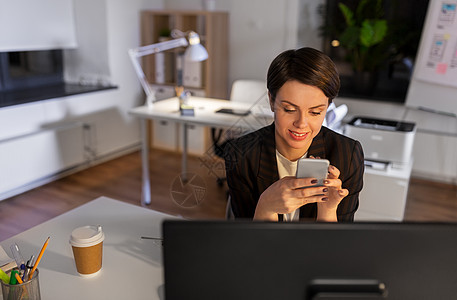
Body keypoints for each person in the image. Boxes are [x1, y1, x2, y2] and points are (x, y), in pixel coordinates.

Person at [224, 47, 364, 222]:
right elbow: (250, 244)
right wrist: (266, 206)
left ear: (327, 107)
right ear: (271, 101)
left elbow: (336, 247)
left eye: (315, 112)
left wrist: (327, 211)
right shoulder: (241, 154)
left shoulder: (347, 155)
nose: (301, 124)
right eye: (289, 110)